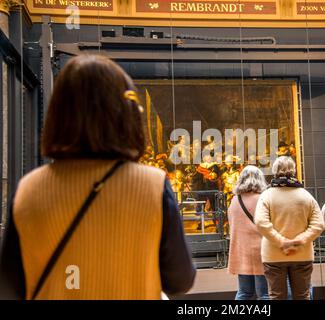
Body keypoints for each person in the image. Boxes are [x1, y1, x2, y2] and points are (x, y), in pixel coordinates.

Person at [0, 54, 196, 300]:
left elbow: (9, 289)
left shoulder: (28, 189)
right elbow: (180, 280)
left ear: (57, 115)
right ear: (125, 116)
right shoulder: (152, 185)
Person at [255, 156, 324, 300]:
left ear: (274, 171)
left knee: (276, 296)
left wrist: (282, 241)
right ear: (294, 171)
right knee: (302, 296)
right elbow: (319, 224)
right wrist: (300, 240)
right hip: (302, 255)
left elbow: (261, 222)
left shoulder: (266, 196)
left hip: (273, 256)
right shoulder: (306, 196)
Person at [227, 166, 269, 300]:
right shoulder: (262, 199)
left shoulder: (235, 200)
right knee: (264, 294)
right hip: (261, 252)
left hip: (241, 252)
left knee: (244, 292)